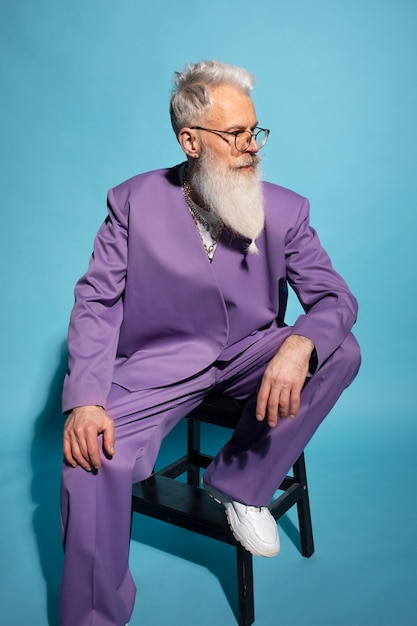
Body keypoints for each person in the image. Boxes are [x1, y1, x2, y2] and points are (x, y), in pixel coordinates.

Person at [60, 59, 361, 626]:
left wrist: (297, 347)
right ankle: (93, 618)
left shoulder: (288, 209)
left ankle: (239, 485)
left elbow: (336, 300)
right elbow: (97, 301)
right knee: (88, 461)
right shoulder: (130, 202)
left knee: (340, 348)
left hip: (252, 354)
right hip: (156, 366)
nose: (252, 146)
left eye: (255, 131)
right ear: (190, 140)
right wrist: (85, 400)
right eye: (235, 134)